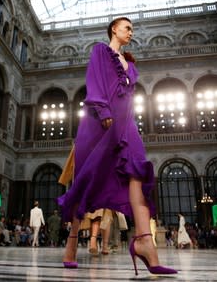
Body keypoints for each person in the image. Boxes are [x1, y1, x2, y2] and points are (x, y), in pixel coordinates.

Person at [57, 17, 177, 275]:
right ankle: (72, 243)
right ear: (114, 29)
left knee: (137, 172)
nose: (131, 33)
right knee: (87, 179)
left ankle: (146, 243)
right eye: (127, 28)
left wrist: (128, 122)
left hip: (126, 124)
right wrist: (101, 109)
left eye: (132, 29)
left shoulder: (131, 66)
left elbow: (130, 98)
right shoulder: (100, 50)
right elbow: (94, 79)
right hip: (98, 123)